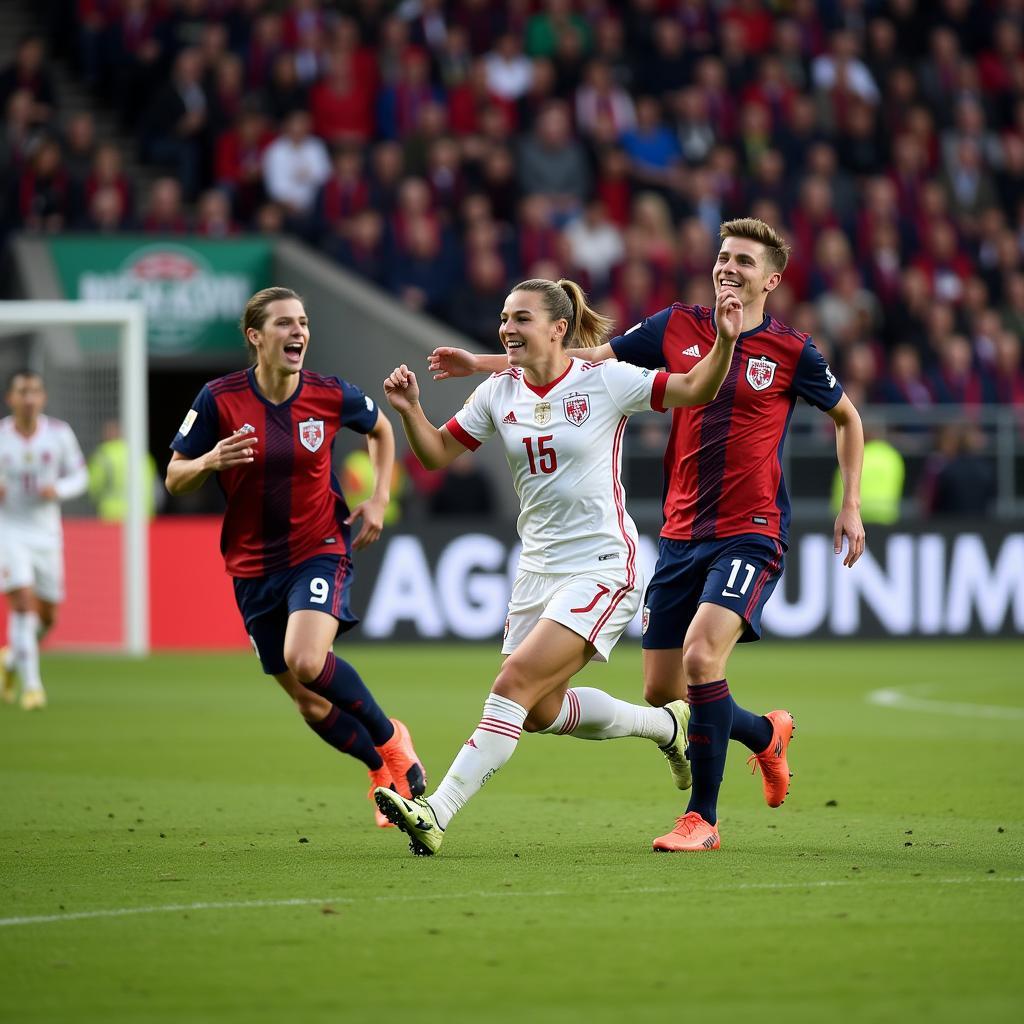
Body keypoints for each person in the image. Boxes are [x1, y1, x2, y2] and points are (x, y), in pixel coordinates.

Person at [429, 218, 866, 852]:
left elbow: (847, 420)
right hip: (681, 530)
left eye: (744, 261)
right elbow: (572, 359)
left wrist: (849, 503)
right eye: (723, 257)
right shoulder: (674, 327)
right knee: (666, 694)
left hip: (751, 529)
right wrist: (482, 362)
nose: (728, 268)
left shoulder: (793, 351)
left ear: (770, 279)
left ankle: (703, 819)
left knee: (701, 658)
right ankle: (765, 734)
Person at [375, 275, 743, 856]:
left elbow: (697, 387)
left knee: (512, 685)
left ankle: (435, 812)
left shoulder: (605, 382)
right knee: (540, 711)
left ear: (558, 328)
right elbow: (437, 452)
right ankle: (667, 728)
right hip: (537, 570)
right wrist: (411, 411)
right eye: (503, 318)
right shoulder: (499, 391)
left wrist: (725, 341)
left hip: (602, 564)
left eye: (520, 318)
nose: (506, 328)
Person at [165, 286, 425, 828]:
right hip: (250, 567)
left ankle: (391, 740)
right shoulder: (219, 398)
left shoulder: (329, 394)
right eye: (285, 324)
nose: (299, 332)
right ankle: (379, 767)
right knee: (308, 701)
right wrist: (211, 459)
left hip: (318, 547)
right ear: (255, 337)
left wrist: (378, 497)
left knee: (308, 659)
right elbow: (175, 477)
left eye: (303, 322)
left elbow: (379, 427)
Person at [0, 370, 88, 709]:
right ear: (11, 399)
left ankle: (10, 662)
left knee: (47, 616)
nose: (29, 398)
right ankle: (33, 687)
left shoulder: (58, 434)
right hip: (9, 531)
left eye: (34, 391)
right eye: (22, 391)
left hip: (46, 534)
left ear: (43, 398)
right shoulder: (2, 436)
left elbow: (80, 474)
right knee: (22, 601)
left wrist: (60, 489)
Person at [87, 419, 160, 521]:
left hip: (113, 516)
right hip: (144, 515)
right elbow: (156, 489)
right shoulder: (143, 454)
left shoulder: (103, 454)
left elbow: (93, 486)